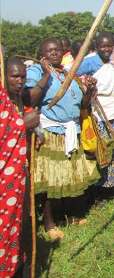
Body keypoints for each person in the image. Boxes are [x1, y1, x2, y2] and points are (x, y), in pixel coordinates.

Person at [22, 38, 99, 240]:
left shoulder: (68, 73)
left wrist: (89, 90)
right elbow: (29, 98)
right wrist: (47, 74)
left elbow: (82, 104)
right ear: (42, 55)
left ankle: (69, 215)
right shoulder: (37, 72)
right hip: (51, 133)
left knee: (69, 176)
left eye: (57, 49)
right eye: (49, 50)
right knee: (51, 179)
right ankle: (49, 223)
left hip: (70, 132)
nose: (55, 53)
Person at [1, 58, 40, 277]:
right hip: (3, 182)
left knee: (17, 225)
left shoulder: (16, 99)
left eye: (23, 77)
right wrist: (22, 124)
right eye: (14, 76)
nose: (20, 81)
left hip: (16, 176)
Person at [77, 32, 114, 190]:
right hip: (98, 110)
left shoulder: (111, 63)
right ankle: (100, 185)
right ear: (96, 47)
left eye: (110, 46)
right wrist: (86, 86)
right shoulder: (90, 62)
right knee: (102, 147)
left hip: (112, 109)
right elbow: (71, 74)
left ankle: (113, 182)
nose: (107, 49)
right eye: (103, 46)